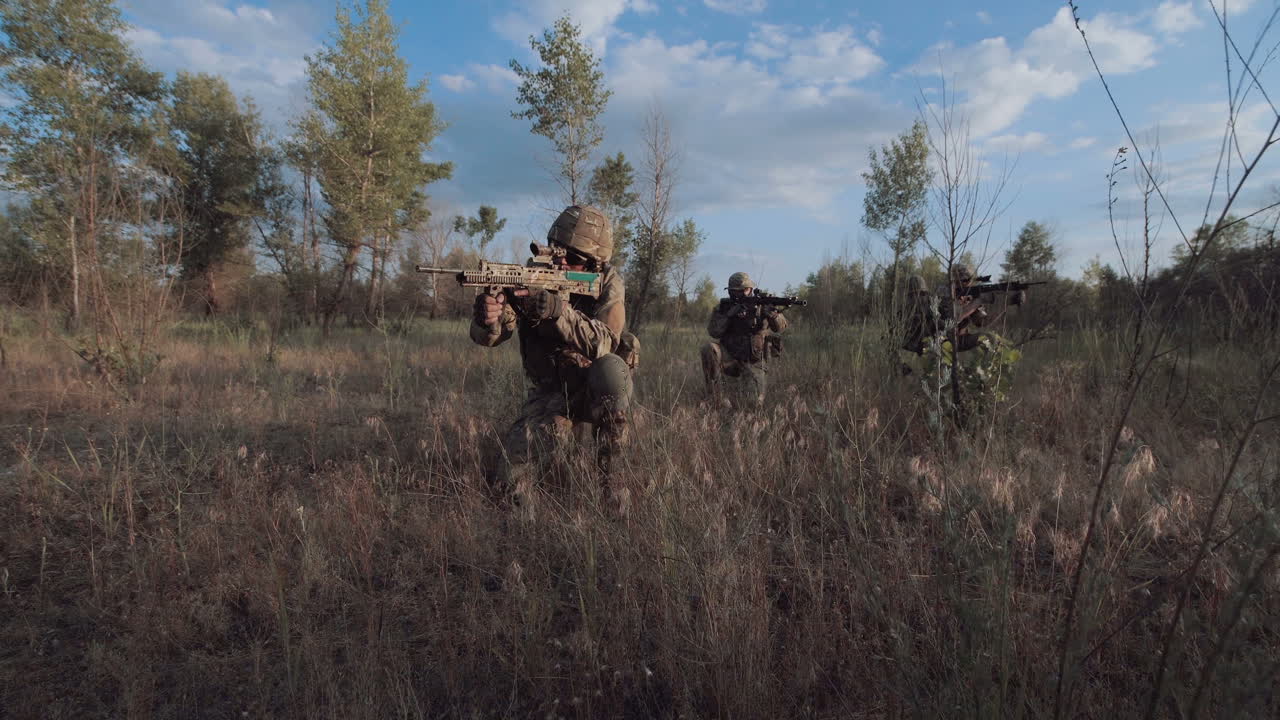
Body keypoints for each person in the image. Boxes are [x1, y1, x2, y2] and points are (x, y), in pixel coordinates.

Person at [470, 205, 638, 503]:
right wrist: (489, 319)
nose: (561, 261)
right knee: (509, 484)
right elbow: (495, 337)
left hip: (594, 388)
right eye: (558, 251)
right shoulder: (533, 276)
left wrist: (558, 311)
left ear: (596, 263)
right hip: (552, 392)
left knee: (612, 368)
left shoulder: (609, 283)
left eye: (573, 258)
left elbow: (604, 342)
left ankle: (612, 479)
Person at [700, 271, 788, 408]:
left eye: (745, 290)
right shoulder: (724, 307)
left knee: (752, 404)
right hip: (729, 358)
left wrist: (773, 315)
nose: (741, 294)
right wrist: (729, 316)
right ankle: (715, 397)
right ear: (730, 292)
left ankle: (744, 388)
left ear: (751, 290)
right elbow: (714, 332)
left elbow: (780, 328)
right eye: (736, 291)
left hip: (754, 361)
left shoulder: (761, 306)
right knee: (708, 348)